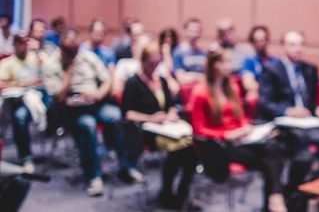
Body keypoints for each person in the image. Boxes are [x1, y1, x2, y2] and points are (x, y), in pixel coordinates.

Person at [190, 47, 287, 212]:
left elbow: (240, 117)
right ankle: (274, 201)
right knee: (269, 160)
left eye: (229, 61)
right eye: (224, 62)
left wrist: (246, 127)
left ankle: (274, 198)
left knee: (273, 149)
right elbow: (199, 130)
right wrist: (226, 134)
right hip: (218, 146)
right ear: (213, 65)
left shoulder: (233, 87)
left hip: (241, 140)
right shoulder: (200, 92)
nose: (228, 66)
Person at [258, 31, 319, 187]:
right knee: (304, 157)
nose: (298, 48)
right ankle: (295, 190)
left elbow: (311, 102)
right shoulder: (271, 69)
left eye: (301, 44)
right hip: (288, 126)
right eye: (293, 44)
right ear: (283, 46)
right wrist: (289, 111)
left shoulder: (310, 69)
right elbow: (265, 103)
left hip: (309, 122)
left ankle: (316, 183)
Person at [41, 28, 130, 196]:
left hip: (95, 101)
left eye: (75, 50)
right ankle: (94, 176)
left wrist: (97, 95)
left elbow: (106, 80)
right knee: (88, 125)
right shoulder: (51, 64)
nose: (73, 54)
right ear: (61, 47)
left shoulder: (88, 57)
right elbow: (58, 98)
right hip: (69, 110)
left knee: (116, 116)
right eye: (69, 51)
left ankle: (125, 166)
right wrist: (69, 70)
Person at [121, 41, 198, 211]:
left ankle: (178, 193)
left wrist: (171, 113)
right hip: (146, 132)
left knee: (192, 150)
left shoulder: (161, 80)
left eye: (157, 64)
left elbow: (171, 104)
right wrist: (151, 118)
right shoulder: (133, 83)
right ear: (143, 61)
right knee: (181, 151)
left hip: (166, 128)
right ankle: (170, 193)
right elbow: (127, 114)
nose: (154, 68)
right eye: (151, 64)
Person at [0, 33, 49, 173]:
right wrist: (22, 83)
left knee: (21, 114)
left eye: (25, 42)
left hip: (38, 98)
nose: (23, 45)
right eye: (20, 42)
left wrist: (38, 52)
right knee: (19, 115)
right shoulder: (7, 62)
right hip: (15, 101)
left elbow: (48, 75)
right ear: (14, 44)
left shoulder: (35, 58)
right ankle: (26, 157)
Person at [240, 25, 277, 99]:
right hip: (260, 96)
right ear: (252, 43)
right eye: (256, 41)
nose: (260, 44)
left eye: (262, 40)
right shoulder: (249, 61)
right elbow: (248, 84)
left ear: (267, 40)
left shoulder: (275, 61)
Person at [172, 18, 206, 85]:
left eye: (197, 31)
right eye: (191, 31)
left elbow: (209, 77)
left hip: (202, 89)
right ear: (185, 31)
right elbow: (181, 78)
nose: (194, 34)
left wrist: (190, 75)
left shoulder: (204, 52)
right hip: (186, 91)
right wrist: (199, 77)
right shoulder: (178, 52)